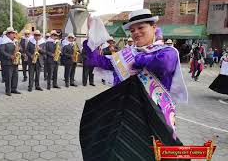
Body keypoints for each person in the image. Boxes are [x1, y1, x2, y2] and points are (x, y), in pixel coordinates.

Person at [79, 9, 188, 161]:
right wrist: (92, 37)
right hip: (126, 117)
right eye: (132, 30)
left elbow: (163, 64)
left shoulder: (168, 52)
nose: (136, 32)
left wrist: (136, 59)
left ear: (154, 28)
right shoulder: (126, 54)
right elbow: (95, 61)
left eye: (141, 27)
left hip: (154, 119)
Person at [0, 27, 21, 96]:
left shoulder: (14, 41)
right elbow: (2, 51)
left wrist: (18, 49)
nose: (14, 34)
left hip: (15, 61)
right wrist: (10, 56)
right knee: (8, 77)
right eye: (12, 33)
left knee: (15, 76)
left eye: (14, 33)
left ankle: (14, 89)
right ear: (8, 34)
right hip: (7, 62)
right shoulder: (3, 41)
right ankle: (8, 90)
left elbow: (17, 49)